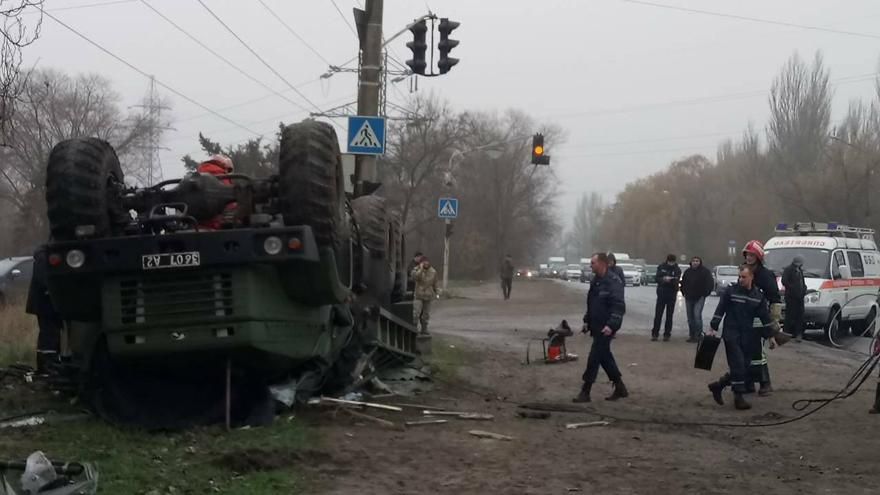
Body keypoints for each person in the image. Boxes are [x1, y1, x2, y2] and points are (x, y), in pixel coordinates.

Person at [706, 265, 777, 410]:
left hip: (748, 334)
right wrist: (713, 326)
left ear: (751, 277)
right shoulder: (731, 292)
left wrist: (771, 337)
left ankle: (719, 385)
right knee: (737, 363)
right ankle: (738, 398)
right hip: (731, 332)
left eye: (743, 277)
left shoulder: (758, 297)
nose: (740, 279)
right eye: (739, 276)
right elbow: (721, 308)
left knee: (744, 366)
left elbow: (765, 317)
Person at [573, 253, 628, 403]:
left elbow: (618, 306)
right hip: (596, 325)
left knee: (594, 356)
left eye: (593, 263)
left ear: (602, 264)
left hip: (607, 326)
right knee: (604, 356)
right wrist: (587, 321)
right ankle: (620, 387)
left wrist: (611, 325)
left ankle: (586, 390)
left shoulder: (614, 282)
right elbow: (592, 303)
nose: (590, 266)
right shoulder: (596, 281)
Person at [742, 240, 784, 396]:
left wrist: (773, 323)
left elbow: (775, 300)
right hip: (743, 318)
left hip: (760, 318)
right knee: (744, 352)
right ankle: (749, 383)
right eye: (747, 254)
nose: (749, 257)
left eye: (752, 255)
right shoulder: (743, 271)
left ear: (758, 257)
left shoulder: (766, 275)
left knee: (756, 352)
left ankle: (765, 383)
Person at [25, 245, 63, 374]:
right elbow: (43, 278)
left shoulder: (44, 254)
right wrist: (53, 289)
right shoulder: (43, 256)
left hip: (46, 303)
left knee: (48, 334)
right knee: (49, 334)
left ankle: (46, 365)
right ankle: (48, 365)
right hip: (44, 304)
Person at [197, 154, 236, 230]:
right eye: (229, 170)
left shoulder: (196, 178)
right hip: (219, 226)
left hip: (197, 225)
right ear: (225, 166)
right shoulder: (223, 178)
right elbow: (231, 205)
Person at [681, 256, 714, 343]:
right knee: (690, 317)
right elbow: (683, 282)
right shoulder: (687, 272)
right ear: (691, 262)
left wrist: (705, 294)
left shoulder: (705, 272)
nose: (695, 262)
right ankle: (692, 335)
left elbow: (710, 283)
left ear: (700, 262)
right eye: (694, 261)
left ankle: (698, 335)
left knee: (697, 315)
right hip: (688, 297)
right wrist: (683, 292)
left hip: (699, 297)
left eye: (697, 261)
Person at [652, 254, 681, 341]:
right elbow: (657, 278)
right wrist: (663, 280)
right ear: (667, 261)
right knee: (658, 314)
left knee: (669, 315)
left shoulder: (677, 269)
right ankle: (655, 333)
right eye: (669, 262)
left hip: (672, 294)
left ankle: (667, 334)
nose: (671, 263)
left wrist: (671, 280)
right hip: (661, 293)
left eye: (672, 262)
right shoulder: (661, 267)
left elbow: (677, 281)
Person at [782, 255, 807, 341]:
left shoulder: (800, 271)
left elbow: (802, 281)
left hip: (800, 297)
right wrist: (792, 288)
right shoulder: (788, 269)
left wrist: (804, 289)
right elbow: (784, 281)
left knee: (800, 316)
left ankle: (798, 334)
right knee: (790, 316)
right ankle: (786, 333)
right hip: (791, 297)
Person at [411, 256, 438, 335]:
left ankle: (424, 329)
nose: (426, 263)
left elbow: (435, 283)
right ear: (421, 263)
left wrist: (437, 292)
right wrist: (421, 269)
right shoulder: (416, 270)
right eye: (424, 262)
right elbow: (415, 277)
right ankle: (414, 328)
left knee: (426, 314)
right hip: (419, 295)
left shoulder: (433, 271)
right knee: (416, 313)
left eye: (427, 261)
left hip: (428, 295)